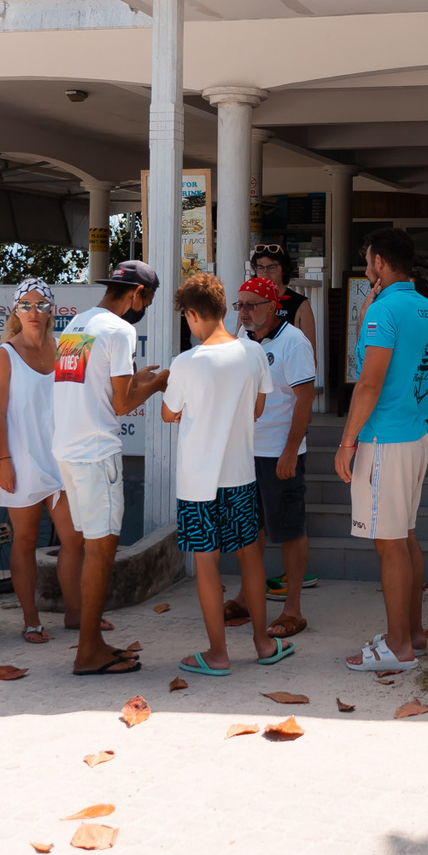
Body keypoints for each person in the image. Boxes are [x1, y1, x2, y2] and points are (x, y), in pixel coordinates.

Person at [160, 273, 286, 677]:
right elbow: (258, 409)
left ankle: (218, 653)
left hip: (197, 482)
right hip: (241, 475)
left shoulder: (184, 363)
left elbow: (168, 412)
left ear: (193, 315)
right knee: (251, 556)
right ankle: (264, 643)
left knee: (207, 562)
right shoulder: (252, 354)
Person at [50, 258, 169, 676]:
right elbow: (119, 405)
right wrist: (154, 386)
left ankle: (92, 641)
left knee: (89, 547)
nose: (144, 308)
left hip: (67, 448)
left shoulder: (77, 324)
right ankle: (87, 652)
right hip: (97, 451)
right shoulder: (121, 330)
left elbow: (98, 388)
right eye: (148, 300)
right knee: (102, 551)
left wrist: (139, 380)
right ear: (137, 294)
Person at [338, 227, 428, 672]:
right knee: (406, 537)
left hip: (384, 441)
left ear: (379, 261)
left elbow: (370, 382)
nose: (365, 267)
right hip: (415, 435)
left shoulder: (384, 310)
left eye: (368, 259)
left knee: (389, 545)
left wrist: (346, 441)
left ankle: (398, 647)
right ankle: (412, 633)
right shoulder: (422, 304)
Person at [236, 275, 319, 639]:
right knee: (248, 529)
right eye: (239, 305)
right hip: (244, 453)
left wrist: (290, 450)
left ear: (273, 307)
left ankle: (293, 609)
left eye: (251, 305)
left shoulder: (294, 342)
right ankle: (245, 597)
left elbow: (305, 400)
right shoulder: (241, 339)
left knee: (288, 530)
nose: (243, 312)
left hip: (279, 454)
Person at [0, 280, 62, 643]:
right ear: (16, 311)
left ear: (52, 311)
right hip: (21, 458)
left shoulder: (63, 349)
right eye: (27, 305)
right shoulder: (6, 354)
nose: (35, 312)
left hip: (61, 458)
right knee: (25, 540)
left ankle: (77, 612)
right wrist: (5, 461)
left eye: (42, 305)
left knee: (76, 538)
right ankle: (31, 619)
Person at [249, 243, 318, 350]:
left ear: (284, 269)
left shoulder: (299, 304)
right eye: (260, 268)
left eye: (272, 267)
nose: (265, 273)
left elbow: (310, 353)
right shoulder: (248, 302)